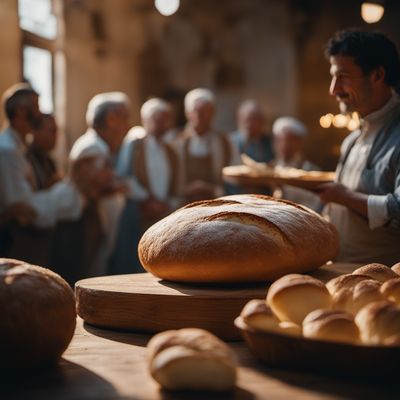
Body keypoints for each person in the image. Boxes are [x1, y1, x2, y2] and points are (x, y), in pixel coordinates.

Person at [318, 29, 400, 265]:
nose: (333, 89)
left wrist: (345, 197)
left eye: (342, 76)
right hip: (339, 271)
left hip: (384, 283)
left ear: (378, 75)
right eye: (333, 77)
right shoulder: (352, 139)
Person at [0, 84, 84, 264]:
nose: (40, 113)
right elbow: (19, 205)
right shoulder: (7, 150)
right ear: (21, 111)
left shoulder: (17, 147)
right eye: (36, 107)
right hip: (14, 240)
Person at [64, 92, 131, 278]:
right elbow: (92, 190)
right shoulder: (91, 148)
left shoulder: (100, 147)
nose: (127, 125)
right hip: (90, 230)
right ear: (111, 119)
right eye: (125, 118)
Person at [117, 98, 182, 230]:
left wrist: (166, 205)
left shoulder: (171, 151)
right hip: (138, 213)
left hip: (164, 217)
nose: (161, 123)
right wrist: (148, 199)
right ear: (144, 119)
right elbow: (124, 177)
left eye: (165, 118)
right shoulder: (134, 145)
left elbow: (176, 185)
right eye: (156, 118)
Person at [177, 88, 240, 202]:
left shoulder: (225, 142)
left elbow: (235, 176)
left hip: (217, 204)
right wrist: (186, 189)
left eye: (206, 112)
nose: (201, 116)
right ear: (187, 113)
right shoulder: (176, 143)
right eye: (197, 111)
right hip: (183, 205)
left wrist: (213, 189)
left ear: (213, 113)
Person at [271, 117, 322, 211]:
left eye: (290, 140)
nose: (284, 144)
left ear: (300, 142)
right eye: (280, 140)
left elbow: (314, 206)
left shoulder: (311, 172)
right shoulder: (270, 168)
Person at [26, 113, 60, 189]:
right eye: (52, 131)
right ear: (35, 132)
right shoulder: (25, 158)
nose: (56, 136)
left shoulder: (49, 161)